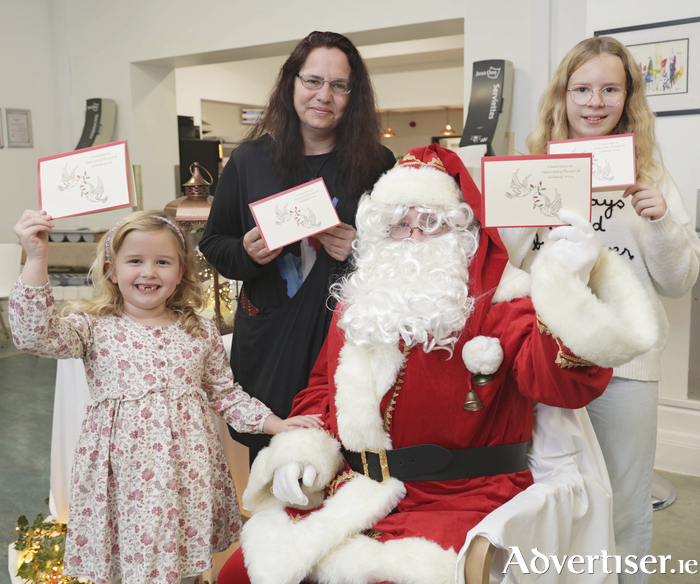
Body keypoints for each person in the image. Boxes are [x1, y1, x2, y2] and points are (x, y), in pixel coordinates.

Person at [216, 145, 658, 584]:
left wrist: (566, 287)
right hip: (352, 488)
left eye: (430, 222)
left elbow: (558, 385)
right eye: (399, 224)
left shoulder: (503, 298)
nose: (412, 237)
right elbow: (320, 390)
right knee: (242, 571)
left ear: (461, 231)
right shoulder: (360, 302)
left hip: (463, 496)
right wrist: (301, 453)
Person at [9, 209, 322, 584]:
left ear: (182, 271)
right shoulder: (92, 328)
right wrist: (37, 256)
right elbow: (32, 336)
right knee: (126, 567)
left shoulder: (199, 332)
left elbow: (226, 395)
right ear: (111, 269)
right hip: (121, 477)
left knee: (182, 568)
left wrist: (278, 424)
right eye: (135, 261)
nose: (149, 272)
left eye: (162, 262)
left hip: (184, 477)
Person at [500, 36, 700, 583]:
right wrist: (522, 213)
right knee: (543, 499)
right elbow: (504, 267)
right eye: (582, 88)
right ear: (563, 96)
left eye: (610, 88)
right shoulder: (534, 169)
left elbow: (679, 282)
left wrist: (660, 221)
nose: (595, 101)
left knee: (625, 504)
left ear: (627, 96)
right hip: (541, 358)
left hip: (626, 369)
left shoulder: (651, 175)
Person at [199, 31, 396, 465]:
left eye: (339, 85)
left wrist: (363, 246)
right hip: (269, 338)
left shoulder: (377, 163)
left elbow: (403, 251)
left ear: (353, 95)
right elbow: (214, 244)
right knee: (273, 466)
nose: (323, 95)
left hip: (344, 340)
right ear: (291, 84)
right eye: (312, 81)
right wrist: (247, 254)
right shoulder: (249, 161)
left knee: (346, 458)